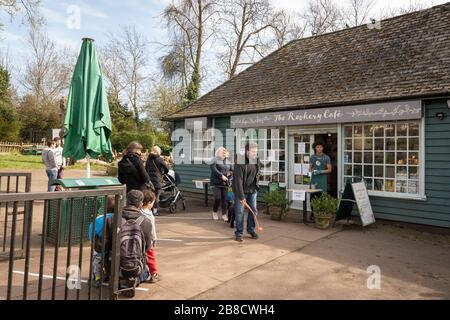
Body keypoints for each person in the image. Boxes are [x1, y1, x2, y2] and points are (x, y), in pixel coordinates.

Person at [119, 190, 154, 297]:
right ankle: (135, 278)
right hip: (137, 265)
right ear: (141, 203)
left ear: (126, 201)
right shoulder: (146, 222)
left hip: (117, 263)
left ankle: (118, 278)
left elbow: (104, 246)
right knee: (147, 272)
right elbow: (148, 247)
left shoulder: (114, 219)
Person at [232, 142, 260, 242]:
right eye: (253, 152)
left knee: (253, 211)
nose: (255, 154)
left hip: (252, 191)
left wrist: (256, 186)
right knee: (240, 212)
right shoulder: (240, 161)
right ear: (247, 151)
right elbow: (238, 180)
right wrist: (241, 196)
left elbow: (257, 173)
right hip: (241, 191)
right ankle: (239, 233)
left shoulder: (256, 160)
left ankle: (250, 229)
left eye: (256, 152)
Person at [88, 196, 115, 288]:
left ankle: (97, 277)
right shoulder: (118, 218)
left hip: (100, 245)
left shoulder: (99, 219)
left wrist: (92, 242)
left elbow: (92, 231)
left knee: (97, 261)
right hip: (112, 246)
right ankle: (108, 274)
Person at [140, 190, 162, 283]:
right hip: (148, 240)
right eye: (153, 202)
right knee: (151, 257)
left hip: (138, 239)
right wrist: (154, 240)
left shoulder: (138, 211)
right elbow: (152, 230)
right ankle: (153, 274)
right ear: (149, 203)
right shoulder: (149, 215)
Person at [309, 141, 332, 221]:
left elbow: (329, 170)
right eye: (317, 147)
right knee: (313, 197)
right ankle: (312, 214)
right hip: (314, 179)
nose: (319, 148)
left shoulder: (326, 157)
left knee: (322, 196)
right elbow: (310, 167)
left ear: (323, 148)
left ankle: (321, 213)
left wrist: (321, 171)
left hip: (322, 179)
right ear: (315, 148)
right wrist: (311, 171)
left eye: (320, 147)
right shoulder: (312, 157)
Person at [209, 147, 233, 221]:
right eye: (222, 152)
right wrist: (221, 176)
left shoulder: (228, 162)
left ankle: (224, 214)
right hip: (215, 183)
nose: (223, 153)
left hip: (225, 183)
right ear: (218, 153)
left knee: (224, 199)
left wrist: (231, 173)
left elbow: (232, 170)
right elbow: (214, 169)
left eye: (224, 152)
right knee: (217, 198)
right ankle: (214, 212)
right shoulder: (214, 160)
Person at [145, 146, 169, 216]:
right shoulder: (159, 159)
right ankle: (155, 211)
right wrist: (163, 173)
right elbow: (167, 168)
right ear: (158, 152)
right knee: (156, 197)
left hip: (149, 180)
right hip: (157, 180)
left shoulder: (148, 159)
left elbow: (146, 169)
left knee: (149, 196)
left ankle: (148, 210)